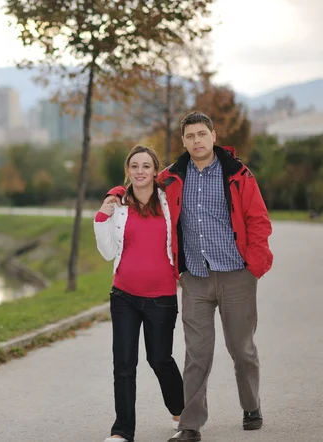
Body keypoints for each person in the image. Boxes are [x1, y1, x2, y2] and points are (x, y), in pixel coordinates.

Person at [104, 111, 273, 442]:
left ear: (213, 135)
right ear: (183, 141)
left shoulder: (238, 173)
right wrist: (113, 194)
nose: (196, 141)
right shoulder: (171, 177)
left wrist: (256, 265)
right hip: (194, 278)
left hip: (236, 274)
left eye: (202, 134)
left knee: (241, 349)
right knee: (196, 353)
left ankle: (251, 405)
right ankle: (190, 425)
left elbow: (258, 219)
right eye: (190, 136)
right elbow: (139, 183)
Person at [94, 145, 184, 442]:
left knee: (160, 359)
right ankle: (122, 431)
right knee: (123, 363)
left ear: (155, 171)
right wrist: (102, 218)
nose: (141, 171)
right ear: (128, 170)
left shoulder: (168, 201)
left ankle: (181, 412)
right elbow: (108, 252)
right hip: (124, 296)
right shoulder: (119, 205)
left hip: (161, 297)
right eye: (135, 166)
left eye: (146, 166)